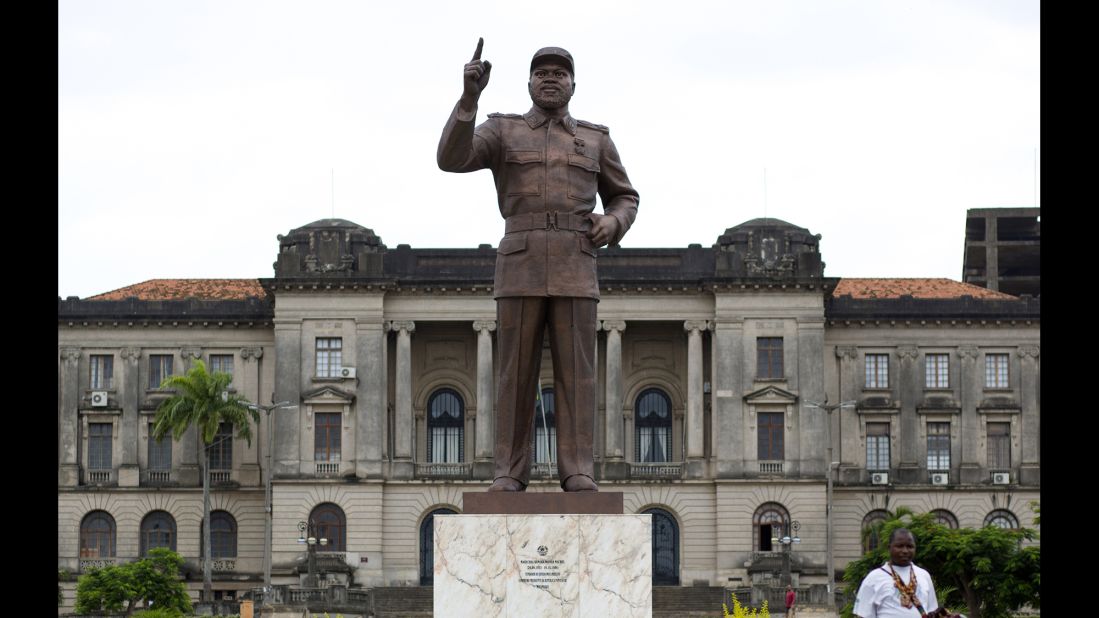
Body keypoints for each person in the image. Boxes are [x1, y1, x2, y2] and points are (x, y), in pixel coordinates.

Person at [438, 39, 639, 492]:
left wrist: (614, 221)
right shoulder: (502, 130)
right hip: (520, 264)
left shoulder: (595, 139)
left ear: (573, 84)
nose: (550, 78)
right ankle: (509, 471)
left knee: (578, 375)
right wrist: (469, 99)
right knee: (514, 372)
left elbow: (626, 195)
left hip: (575, 264)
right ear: (529, 82)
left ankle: (578, 469)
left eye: (559, 73)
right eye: (542, 72)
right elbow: (450, 159)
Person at [854, 528, 945, 618]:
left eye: (910, 546)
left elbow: (932, 611)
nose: (905, 551)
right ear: (889, 547)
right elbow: (863, 615)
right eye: (899, 546)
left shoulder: (924, 575)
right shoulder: (873, 578)